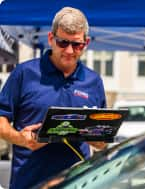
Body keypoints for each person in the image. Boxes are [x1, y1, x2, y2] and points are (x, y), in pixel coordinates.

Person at [0, 7, 106, 189]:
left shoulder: (93, 81)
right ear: (51, 39)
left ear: (86, 43)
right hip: (29, 182)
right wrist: (21, 139)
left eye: (77, 45)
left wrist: (97, 140)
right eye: (63, 43)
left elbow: (102, 139)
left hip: (78, 182)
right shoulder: (24, 73)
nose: (70, 51)